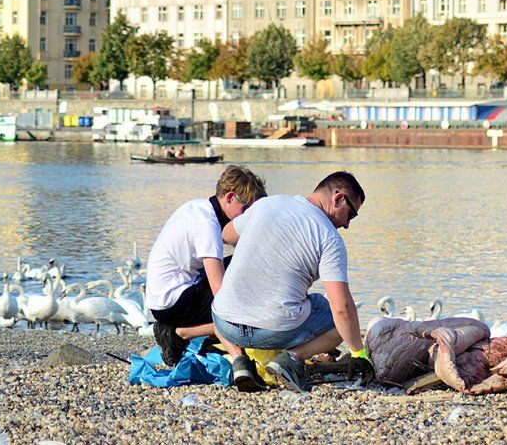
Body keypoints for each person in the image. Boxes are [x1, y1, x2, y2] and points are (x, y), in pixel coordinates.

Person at [211, 171, 370, 393]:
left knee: (222, 297)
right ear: (338, 199)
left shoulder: (267, 204)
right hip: (273, 331)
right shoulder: (329, 239)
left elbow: (227, 234)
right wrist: (357, 352)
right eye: (350, 215)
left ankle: (240, 362)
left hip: (226, 324)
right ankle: (290, 360)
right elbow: (341, 308)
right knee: (335, 319)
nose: (346, 225)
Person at [145, 165, 267, 365]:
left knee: (244, 264)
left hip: (161, 297)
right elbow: (220, 293)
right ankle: (181, 334)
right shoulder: (207, 224)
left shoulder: (199, 207)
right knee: (241, 287)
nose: (248, 217)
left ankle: (187, 332)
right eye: (246, 210)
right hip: (173, 304)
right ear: (229, 197)